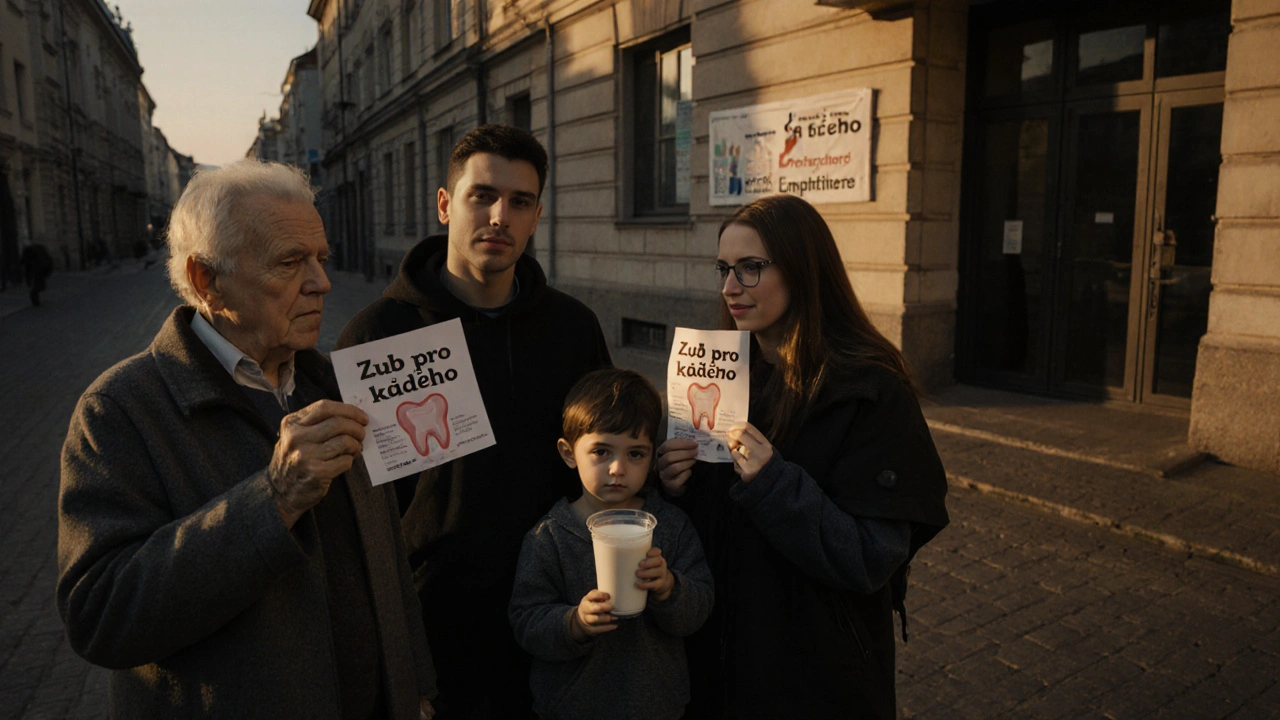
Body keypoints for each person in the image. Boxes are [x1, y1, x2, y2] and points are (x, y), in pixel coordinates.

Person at [57, 159, 437, 719]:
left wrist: (414, 687)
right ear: (207, 280)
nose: (322, 283)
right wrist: (273, 498)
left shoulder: (335, 383)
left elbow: (386, 556)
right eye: (290, 262)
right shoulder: (119, 410)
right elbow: (103, 617)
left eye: (321, 260)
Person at [336, 124, 611, 718]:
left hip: (559, 615)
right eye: (481, 196)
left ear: (538, 214)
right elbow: (358, 517)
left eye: (519, 202)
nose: (499, 217)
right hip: (439, 630)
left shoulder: (573, 328)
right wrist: (396, 658)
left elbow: (609, 455)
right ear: (445, 204)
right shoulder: (376, 336)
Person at [656, 194, 950, 719]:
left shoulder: (869, 389)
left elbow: (871, 556)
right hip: (718, 667)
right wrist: (674, 485)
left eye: (750, 268)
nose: (729, 288)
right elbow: (712, 531)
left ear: (802, 269)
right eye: (724, 269)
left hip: (813, 679)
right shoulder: (724, 371)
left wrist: (774, 483)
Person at [508, 368, 714, 720]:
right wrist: (574, 623)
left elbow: (700, 608)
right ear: (569, 452)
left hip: (656, 706)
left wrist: (669, 589)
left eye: (635, 454)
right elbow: (526, 621)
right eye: (601, 451)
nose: (618, 468)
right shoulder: (551, 536)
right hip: (572, 707)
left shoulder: (670, 526)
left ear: (653, 457)